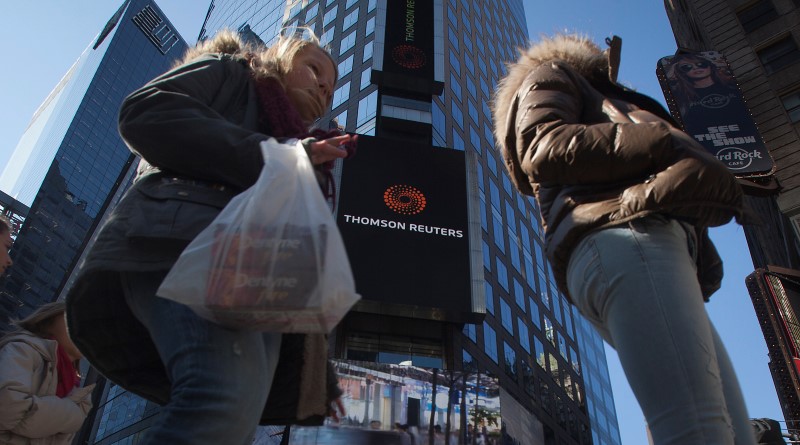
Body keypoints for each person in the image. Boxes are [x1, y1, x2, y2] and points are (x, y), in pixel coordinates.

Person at [65, 29, 350, 445]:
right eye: (314, 68)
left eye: (331, 85)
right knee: (217, 404)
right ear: (282, 57)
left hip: (251, 280)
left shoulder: (299, 148)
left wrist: (317, 374)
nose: (325, 86)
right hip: (177, 246)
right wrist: (275, 157)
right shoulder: (231, 73)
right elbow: (146, 113)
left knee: (231, 422)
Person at [492, 34, 756, 445]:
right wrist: (664, 142)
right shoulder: (552, 73)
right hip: (625, 235)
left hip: (640, 241)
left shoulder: (588, 92)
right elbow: (544, 146)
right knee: (699, 431)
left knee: (733, 435)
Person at [0, 301, 95, 444]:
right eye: (76, 318)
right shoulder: (23, 349)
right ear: (49, 319)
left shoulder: (81, 397)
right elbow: (6, 407)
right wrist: (69, 413)